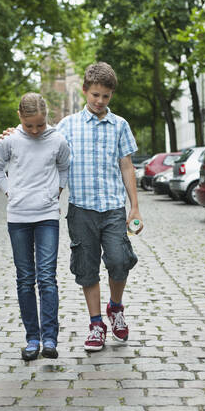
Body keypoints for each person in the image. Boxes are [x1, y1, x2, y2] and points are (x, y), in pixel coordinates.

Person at [57, 61, 143, 352]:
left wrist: (135, 208)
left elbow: (127, 166)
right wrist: (14, 133)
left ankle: (115, 307)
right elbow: (45, 148)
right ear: (85, 91)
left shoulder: (119, 125)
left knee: (119, 260)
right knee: (87, 267)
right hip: (81, 209)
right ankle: (96, 324)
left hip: (112, 209)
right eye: (95, 95)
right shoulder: (67, 126)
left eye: (106, 96)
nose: (100, 101)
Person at [0, 92, 70, 361]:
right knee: (25, 279)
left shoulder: (57, 140)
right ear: (19, 117)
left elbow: (64, 167)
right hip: (18, 219)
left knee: (47, 277)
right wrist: (9, 192)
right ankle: (32, 339)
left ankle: (49, 338)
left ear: (47, 117)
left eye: (40, 124)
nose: (35, 130)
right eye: (29, 125)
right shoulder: (10, 142)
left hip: (47, 216)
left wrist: (55, 193)